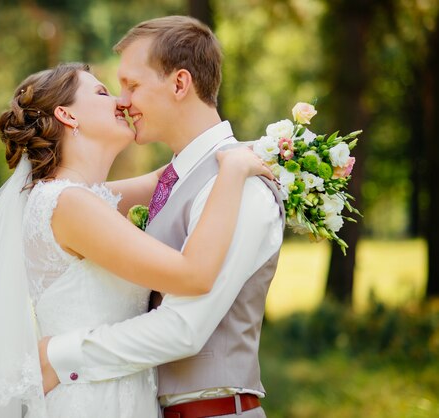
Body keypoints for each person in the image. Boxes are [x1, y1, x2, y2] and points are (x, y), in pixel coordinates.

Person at [0, 61, 272, 418]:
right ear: (67, 115)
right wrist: (234, 172)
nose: (121, 102)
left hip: (116, 389)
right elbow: (191, 274)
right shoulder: (70, 205)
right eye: (102, 92)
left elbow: (178, 170)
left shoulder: (80, 197)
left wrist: (287, 150)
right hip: (93, 399)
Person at [39, 16, 285, 418]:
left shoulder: (239, 183)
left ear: (179, 84)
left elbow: (184, 328)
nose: (122, 101)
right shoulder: (179, 178)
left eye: (132, 85)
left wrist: (58, 355)